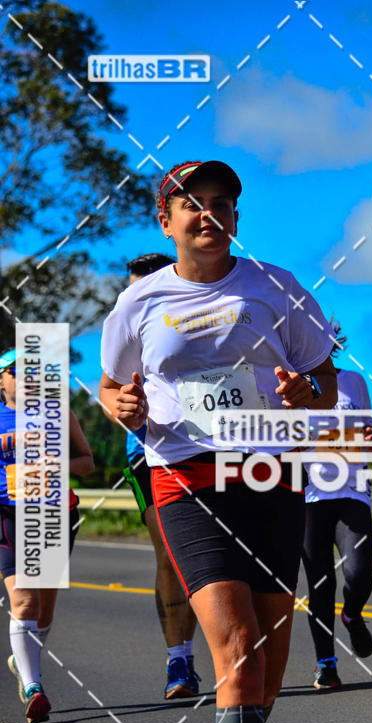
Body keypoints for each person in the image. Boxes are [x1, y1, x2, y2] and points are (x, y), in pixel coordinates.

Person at [99, 159, 337, 723]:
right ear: (166, 219)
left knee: (265, 673)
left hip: (270, 478)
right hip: (186, 480)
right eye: (193, 204)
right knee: (235, 651)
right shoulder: (139, 301)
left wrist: (304, 392)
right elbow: (111, 386)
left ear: (236, 216)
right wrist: (121, 407)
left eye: (223, 203)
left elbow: (324, 382)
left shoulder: (276, 287)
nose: (209, 214)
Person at [1, 348, 94, 723]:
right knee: (24, 602)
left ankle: (24, 661)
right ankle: (33, 687)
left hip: (54, 513)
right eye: (15, 371)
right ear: (1, 380)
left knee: (44, 610)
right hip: (8, 514)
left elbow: (86, 462)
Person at [123, 252, 200, 699]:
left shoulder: (195, 316)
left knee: (215, 559)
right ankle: (179, 660)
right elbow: (109, 387)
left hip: (209, 449)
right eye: (131, 289)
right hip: (148, 454)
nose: (136, 298)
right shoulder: (125, 328)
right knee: (170, 556)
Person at [302, 326, 372, 690]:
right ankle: (326, 665)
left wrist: (361, 439)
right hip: (309, 497)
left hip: (353, 491)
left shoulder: (353, 382)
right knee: (320, 584)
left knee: (359, 573)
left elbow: (370, 440)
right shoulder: (290, 386)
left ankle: (352, 614)